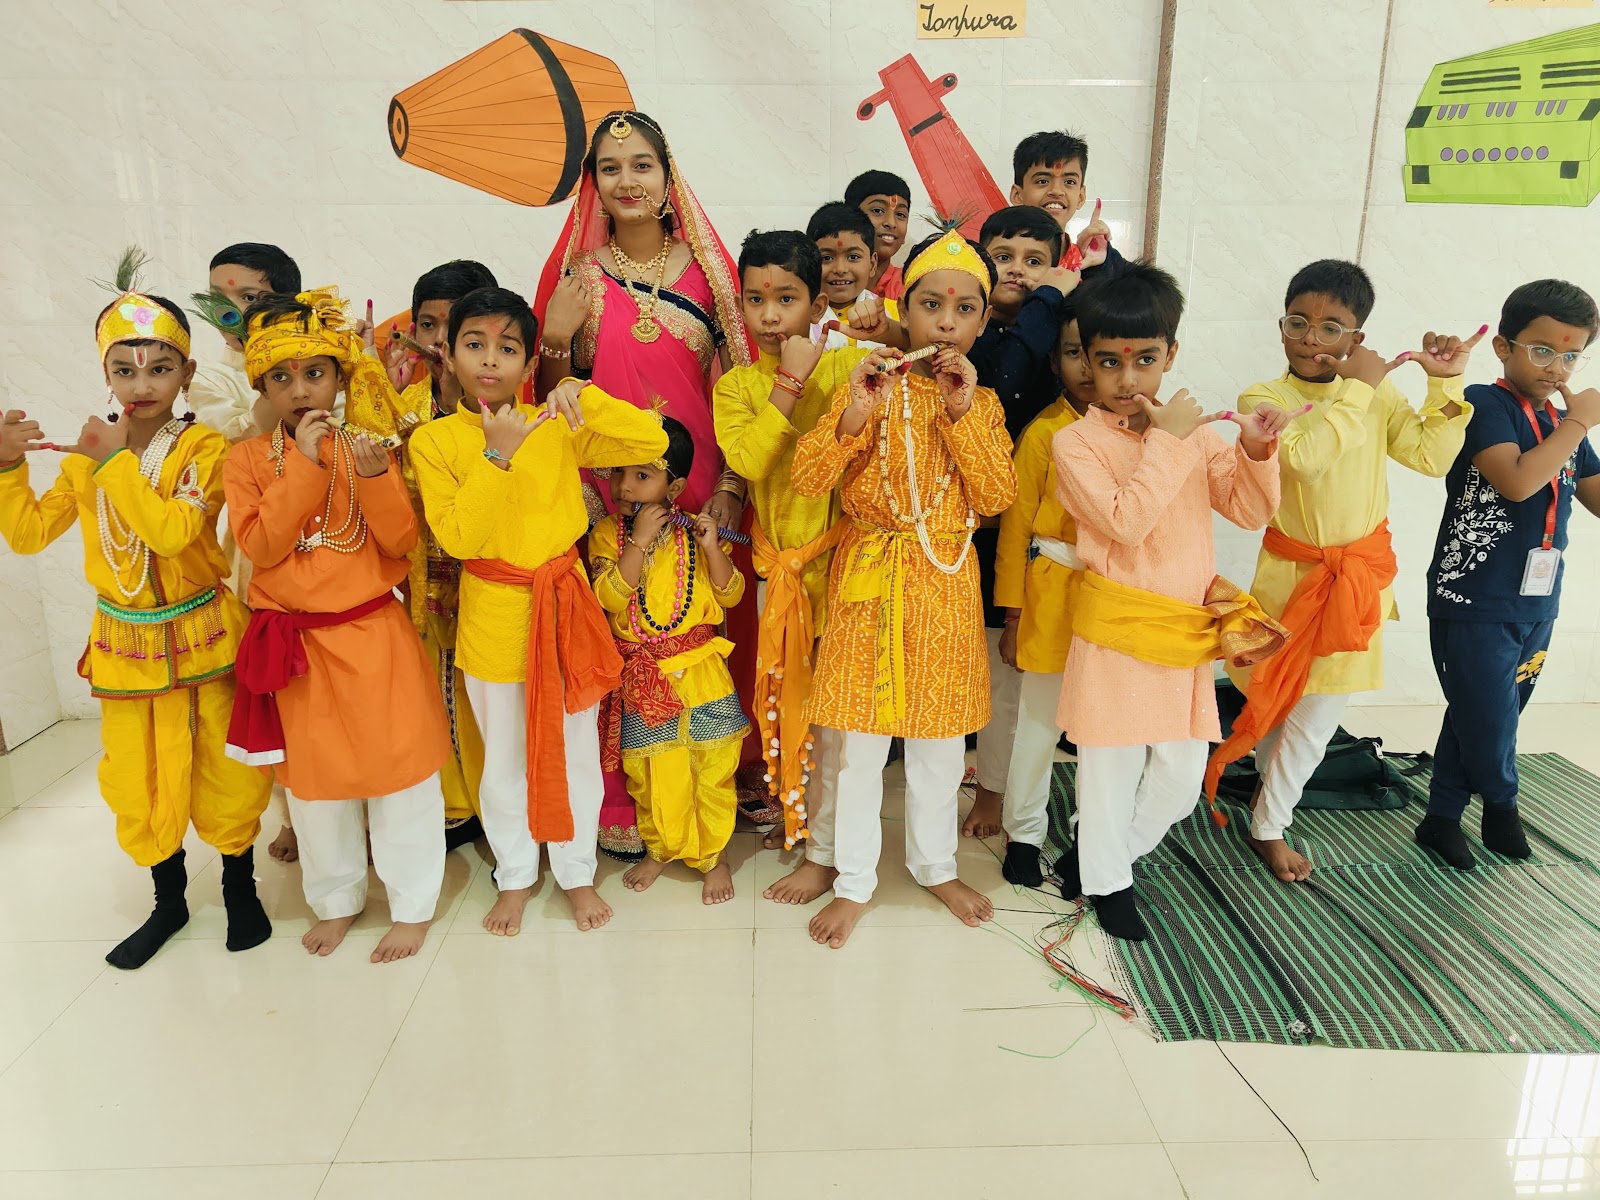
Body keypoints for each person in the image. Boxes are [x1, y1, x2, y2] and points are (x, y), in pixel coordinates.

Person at [0, 254, 271, 970]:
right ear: (106, 375)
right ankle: (168, 901)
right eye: (125, 369)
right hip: (125, 645)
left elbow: (176, 533)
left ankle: (241, 889)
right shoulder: (87, 457)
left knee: (224, 763)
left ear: (186, 374)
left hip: (204, 630)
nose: (141, 384)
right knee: (137, 773)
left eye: (159, 368)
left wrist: (113, 461)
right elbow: (28, 534)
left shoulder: (204, 448)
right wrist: (6, 469)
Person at [1204, 260, 1479, 883]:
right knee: (1274, 702)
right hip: (1287, 581)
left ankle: (1269, 825)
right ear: (1281, 327)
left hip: (1355, 584)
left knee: (1318, 715)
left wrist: (1446, 384)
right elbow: (1304, 462)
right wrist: (1360, 387)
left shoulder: (1375, 393)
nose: (1311, 338)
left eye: (1332, 328)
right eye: (1298, 322)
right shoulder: (1264, 398)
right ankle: (1271, 795)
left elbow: (1430, 457)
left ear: (1356, 338)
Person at [531, 108, 756, 861]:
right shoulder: (580, 276)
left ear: (668, 177)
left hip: (702, 482)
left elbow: (741, 386)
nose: (626, 181)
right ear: (593, 185)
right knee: (626, 635)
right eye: (610, 168)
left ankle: (720, 779)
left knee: (705, 631)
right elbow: (554, 397)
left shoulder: (710, 270)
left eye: (642, 165)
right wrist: (557, 336)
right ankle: (630, 802)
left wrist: (730, 483)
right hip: (615, 491)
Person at [409, 286, 669, 934]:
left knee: (576, 750)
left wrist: (584, 393)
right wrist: (496, 454)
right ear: (449, 353)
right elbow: (461, 540)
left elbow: (650, 436)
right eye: (475, 345)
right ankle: (516, 876)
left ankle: (577, 873)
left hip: (564, 613)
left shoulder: (556, 426)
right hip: (493, 614)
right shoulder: (436, 441)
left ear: (530, 364)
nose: (490, 360)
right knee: (501, 757)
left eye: (507, 348)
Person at [790, 228, 1017, 949]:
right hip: (868, 581)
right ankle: (853, 880)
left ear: (983, 322)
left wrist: (958, 411)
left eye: (962, 309)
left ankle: (934, 865)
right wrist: (855, 412)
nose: (944, 322)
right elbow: (807, 480)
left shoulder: (979, 405)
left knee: (940, 744)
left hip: (946, 587)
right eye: (929, 304)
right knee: (859, 748)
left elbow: (997, 494)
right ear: (904, 307)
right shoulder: (868, 384)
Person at [1052, 263, 1287, 941]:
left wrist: (1255, 446)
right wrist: (1169, 439)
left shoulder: (1191, 434)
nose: (1129, 380)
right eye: (1111, 363)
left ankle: (1105, 858)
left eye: (1146, 360)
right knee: (1109, 771)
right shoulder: (1077, 443)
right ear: (1088, 366)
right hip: (1117, 631)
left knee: (1181, 779)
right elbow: (1125, 521)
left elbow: (1248, 509)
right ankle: (1108, 883)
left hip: (1184, 633)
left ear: (1171, 355)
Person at [224, 290, 450, 964]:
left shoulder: (367, 448)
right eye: (281, 378)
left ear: (341, 376)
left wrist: (378, 480)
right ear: (261, 385)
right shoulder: (244, 463)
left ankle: (411, 905)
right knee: (316, 788)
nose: (299, 390)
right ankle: (339, 900)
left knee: (402, 777)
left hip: (374, 636)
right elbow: (262, 549)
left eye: (314, 373)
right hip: (299, 649)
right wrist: (306, 462)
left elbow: (401, 544)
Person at [1418, 279, 1600, 870]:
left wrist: (1574, 427)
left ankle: (1441, 817)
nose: (1557, 367)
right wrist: (1579, 425)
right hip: (1473, 593)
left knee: (1482, 711)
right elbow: (1519, 481)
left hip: (1536, 600)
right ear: (1503, 347)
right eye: (1542, 350)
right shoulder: (1483, 404)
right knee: (1490, 718)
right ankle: (1501, 806)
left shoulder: (1559, 421)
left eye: (1572, 355)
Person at [713, 230, 867, 890]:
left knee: (831, 723)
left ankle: (822, 853)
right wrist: (788, 380)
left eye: (787, 299)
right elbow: (747, 463)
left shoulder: (845, 368)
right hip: (775, 574)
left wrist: (871, 335)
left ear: (814, 302)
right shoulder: (738, 386)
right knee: (781, 707)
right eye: (756, 300)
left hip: (839, 573)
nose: (771, 316)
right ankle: (797, 817)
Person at [590, 416, 750, 904]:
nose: (623, 485)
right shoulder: (606, 535)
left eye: (642, 475)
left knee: (713, 764)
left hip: (702, 672)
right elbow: (608, 598)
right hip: (643, 677)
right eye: (618, 472)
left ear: (674, 486)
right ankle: (661, 847)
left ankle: (714, 857)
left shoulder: (696, 532)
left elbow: (732, 596)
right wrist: (637, 541)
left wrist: (711, 548)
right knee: (651, 771)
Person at [964, 204, 1083, 840]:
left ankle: (996, 789)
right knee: (982, 662)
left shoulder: (1058, 332)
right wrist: (1047, 293)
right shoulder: (971, 332)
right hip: (967, 530)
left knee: (1011, 671)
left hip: (1029, 534)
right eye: (1002, 258)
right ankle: (981, 773)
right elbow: (1002, 375)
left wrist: (1062, 291)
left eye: (1035, 261)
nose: (1017, 271)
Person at [186, 242, 307, 864]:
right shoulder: (208, 378)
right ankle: (289, 813)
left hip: (331, 546)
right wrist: (273, 369)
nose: (230, 313)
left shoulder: (321, 357)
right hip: (252, 552)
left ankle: (347, 803)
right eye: (220, 302)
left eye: (250, 299)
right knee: (271, 685)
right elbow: (246, 433)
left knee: (325, 683)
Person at [380, 260, 500, 854]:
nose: (439, 344)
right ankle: (452, 803)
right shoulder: (399, 405)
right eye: (428, 326)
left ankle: (496, 804)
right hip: (420, 573)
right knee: (432, 686)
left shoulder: (508, 407)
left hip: (491, 573)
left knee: (488, 694)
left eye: (454, 330)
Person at [991, 302, 1097, 886]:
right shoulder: (1043, 433)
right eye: (1073, 351)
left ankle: (1090, 836)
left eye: (1097, 352)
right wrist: (1012, 617)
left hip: (1111, 600)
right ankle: (1024, 833)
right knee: (1036, 723)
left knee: (1099, 735)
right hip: (1051, 594)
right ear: (1055, 359)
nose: (1086, 366)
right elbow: (1014, 532)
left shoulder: (1144, 431)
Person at [1009, 130, 1121, 271]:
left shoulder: (1089, 263)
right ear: (1017, 195)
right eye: (1042, 181)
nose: (1056, 191)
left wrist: (1105, 264)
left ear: (1080, 197)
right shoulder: (995, 263)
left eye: (1069, 182)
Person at [806, 201, 899, 351]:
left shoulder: (893, 315)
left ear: (872, 264)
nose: (840, 269)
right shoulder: (800, 318)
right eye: (827, 258)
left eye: (853, 257)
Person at [845, 170, 912, 301]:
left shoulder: (910, 288)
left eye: (900, 214)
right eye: (877, 211)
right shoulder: (831, 278)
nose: (891, 223)